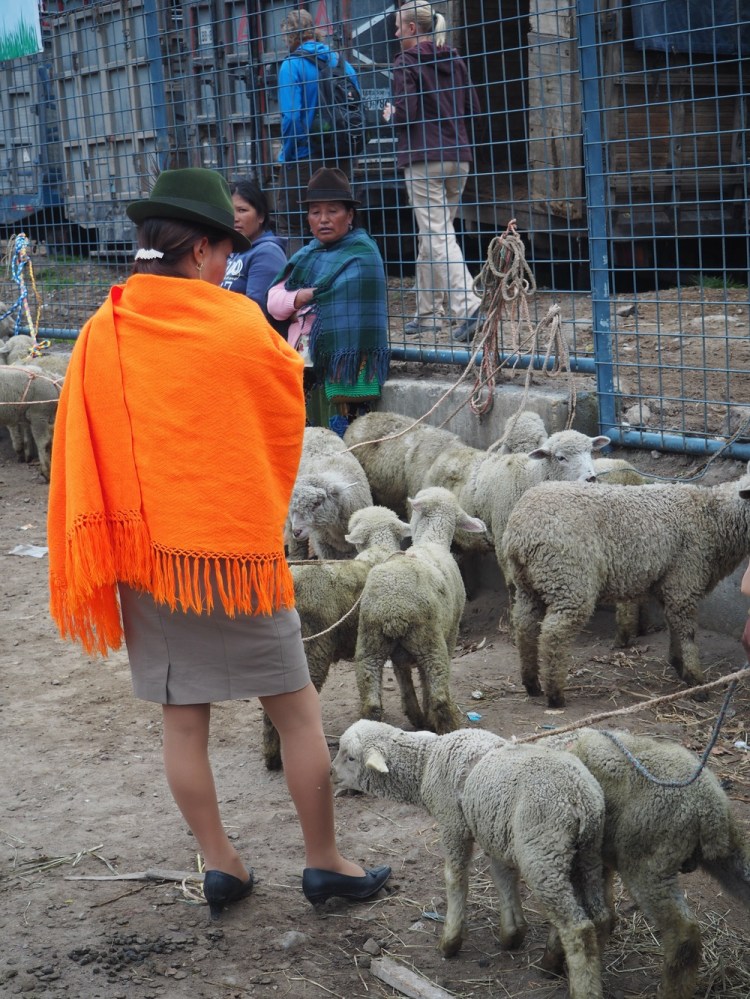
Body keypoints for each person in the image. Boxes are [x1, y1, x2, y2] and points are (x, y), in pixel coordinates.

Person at [46, 167, 391, 919]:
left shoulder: (103, 329)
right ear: (201, 249)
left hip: (151, 561)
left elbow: (85, 438)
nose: (226, 263)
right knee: (296, 713)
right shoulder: (235, 324)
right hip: (235, 560)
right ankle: (325, 863)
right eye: (225, 250)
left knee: (183, 721)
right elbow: (283, 406)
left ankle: (222, 865)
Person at [384, 0, 483, 341]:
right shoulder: (454, 59)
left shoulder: (406, 62)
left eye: (398, 26)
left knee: (438, 236)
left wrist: (390, 114)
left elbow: (405, 113)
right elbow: (473, 108)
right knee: (434, 235)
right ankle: (427, 315)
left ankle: (469, 307)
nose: (396, 33)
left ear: (413, 28)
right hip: (459, 157)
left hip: (423, 159)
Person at [267, 166, 389, 430]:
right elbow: (273, 302)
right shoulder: (306, 255)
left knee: (343, 436)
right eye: (315, 212)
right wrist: (302, 297)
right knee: (306, 439)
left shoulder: (362, 253)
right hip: (301, 364)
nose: (323, 219)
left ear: (349, 215)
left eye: (333, 211)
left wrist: (299, 307)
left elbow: (346, 300)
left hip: (343, 368)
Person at [275, 10, 362, 256]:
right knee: (338, 226)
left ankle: (294, 277)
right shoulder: (342, 63)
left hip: (305, 157)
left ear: (289, 35)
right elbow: (357, 110)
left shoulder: (291, 65)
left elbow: (292, 117)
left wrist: (288, 156)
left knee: (291, 225)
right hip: (341, 157)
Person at [221, 178, 287, 319]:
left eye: (242, 210)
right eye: (229, 211)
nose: (235, 218)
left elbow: (256, 310)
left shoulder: (267, 253)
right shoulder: (230, 251)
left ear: (261, 216)